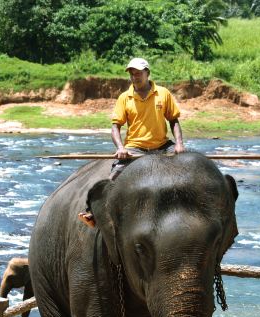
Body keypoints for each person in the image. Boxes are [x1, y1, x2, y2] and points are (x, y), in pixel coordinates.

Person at [78, 57, 185, 227]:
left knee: (187, 165)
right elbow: (115, 127)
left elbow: (174, 120)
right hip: (135, 147)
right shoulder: (124, 98)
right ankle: (93, 213)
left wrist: (179, 144)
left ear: (147, 73)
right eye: (132, 74)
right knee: (115, 174)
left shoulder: (163, 93)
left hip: (162, 145)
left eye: (139, 73)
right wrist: (120, 148)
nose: (135, 77)